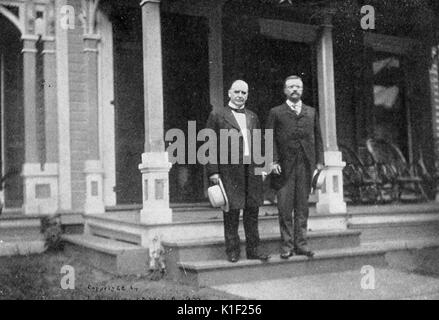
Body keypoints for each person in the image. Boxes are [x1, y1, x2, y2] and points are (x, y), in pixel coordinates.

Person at [205, 80, 270, 263]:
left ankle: (254, 250)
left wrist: (263, 168)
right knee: (231, 211)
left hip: (252, 169)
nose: (240, 95)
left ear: (247, 95)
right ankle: (232, 251)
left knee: (252, 210)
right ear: (229, 93)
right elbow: (209, 144)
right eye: (237, 92)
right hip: (229, 170)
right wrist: (213, 171)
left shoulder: (252, 116)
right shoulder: (218, 115)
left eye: (244, 92)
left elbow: (259, 143)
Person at [266, 75, 324, 259]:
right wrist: (273, 160)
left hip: (305, 166)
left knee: (302, 207)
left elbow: (318, 138)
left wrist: (319, 162)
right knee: (284, 208)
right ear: (285, 90)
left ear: (302, 90)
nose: (295, 90)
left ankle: (302, 244)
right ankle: (286, 245)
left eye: (298, 87)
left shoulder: (311, 112)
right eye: (291, 87)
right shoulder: (276, 112)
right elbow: (269, 138)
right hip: (283, 167)